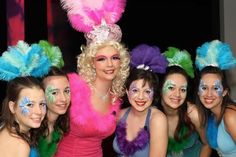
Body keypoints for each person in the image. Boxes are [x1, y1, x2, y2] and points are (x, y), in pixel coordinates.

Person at [55, 0, 130, 156]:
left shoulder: (116, 95)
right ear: (91, 62)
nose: (109, 64)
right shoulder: (73, 87)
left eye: (115, 58)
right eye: (101, 59)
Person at [113, 44, 168, 157]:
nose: (141, 97)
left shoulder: (157, 119)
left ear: (154, 94)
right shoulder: (120, 115)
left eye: (147, 91)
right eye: (135, 90)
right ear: (127, 92)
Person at [0, 40, 51, 157]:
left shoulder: (7, 128)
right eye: (29, 104)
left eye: (42, 104)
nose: (38, 111)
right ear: (13, 107)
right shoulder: (19, 145)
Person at [158, 47, 211, 157]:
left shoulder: (193, 114)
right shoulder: (152, 115)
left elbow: (207, 144)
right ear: (160, 87)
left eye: (182, 89)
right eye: (171, 87)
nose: (177, 94)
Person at [195, 40, 236, 156]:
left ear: (224, 92)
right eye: (204, 88)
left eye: (215, 88)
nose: (209, 94)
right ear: (198, 91)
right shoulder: (212, 114)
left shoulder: (230, 116)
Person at [37, 66, 71, 157]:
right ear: (41, 94)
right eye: (54, 93)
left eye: (67, 91)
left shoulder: (59, 127)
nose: (64, 98)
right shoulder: (31, 128)